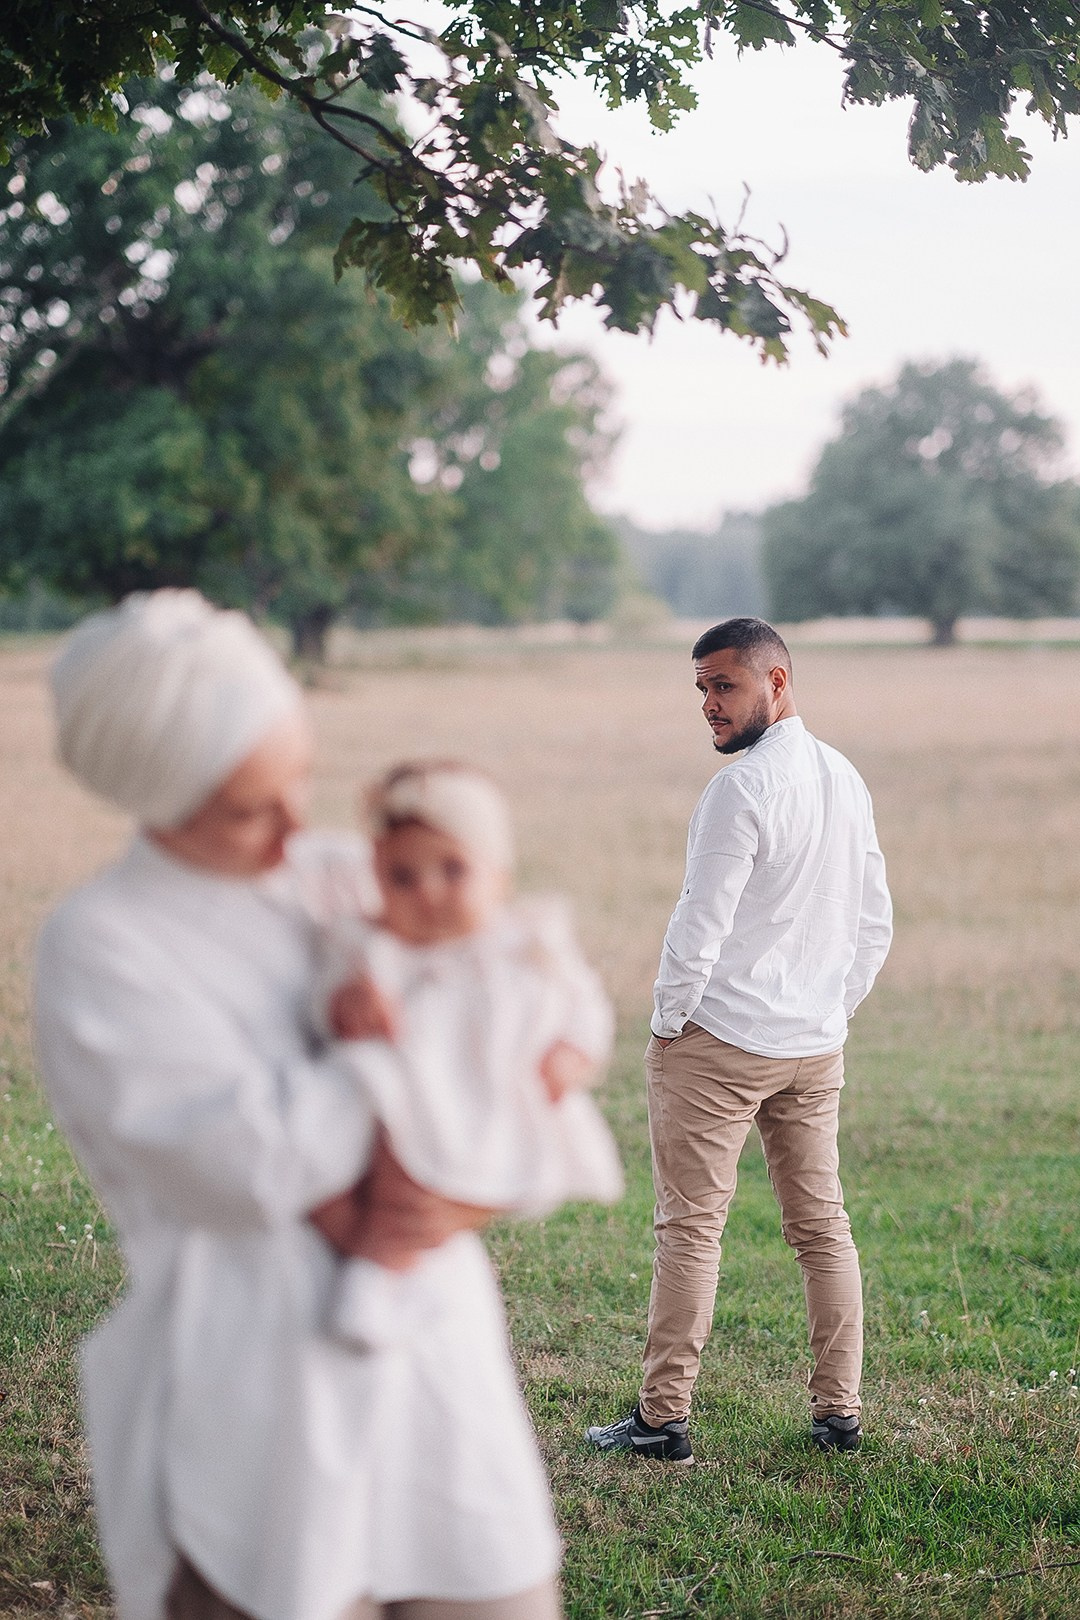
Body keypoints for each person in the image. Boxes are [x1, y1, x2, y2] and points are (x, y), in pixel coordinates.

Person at [33, 591, 565, 1620]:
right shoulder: (104, 945)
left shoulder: (337, 876)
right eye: (248, 806)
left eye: (301, 779)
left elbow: (516, 1032)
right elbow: (251, 1170)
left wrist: (473, 1185)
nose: (297, 824)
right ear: (156, 797)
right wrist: (402, 1065)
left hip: (438, 1370)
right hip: (257, 1403)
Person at [585, 617, 892, 1465]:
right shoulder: (844, 777)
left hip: (719, 1040)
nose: (710, 707)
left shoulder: (743, 789)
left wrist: (667, 1020)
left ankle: (662, 1423)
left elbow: (698, 926)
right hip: (811, 1044)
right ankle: (839, 1416)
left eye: (725, 686)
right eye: (701, 690)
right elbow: (876, 921)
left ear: (778, 681)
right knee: (822, 1228)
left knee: (691, 1228)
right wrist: (832, 1008)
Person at [319, 759, 623, 1351]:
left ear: (500, 877)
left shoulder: (528, 943)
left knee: (453, 1195)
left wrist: (572, 1052)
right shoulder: (372, 948)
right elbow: (327, 1004)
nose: (427, 893)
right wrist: (347, 1006)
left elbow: (586, 1006)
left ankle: (397, 1271)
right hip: (408, 1096)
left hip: (499, 1100)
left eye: (452, 870)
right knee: (393, 1185)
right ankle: (376, 1275)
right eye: (401, 879)